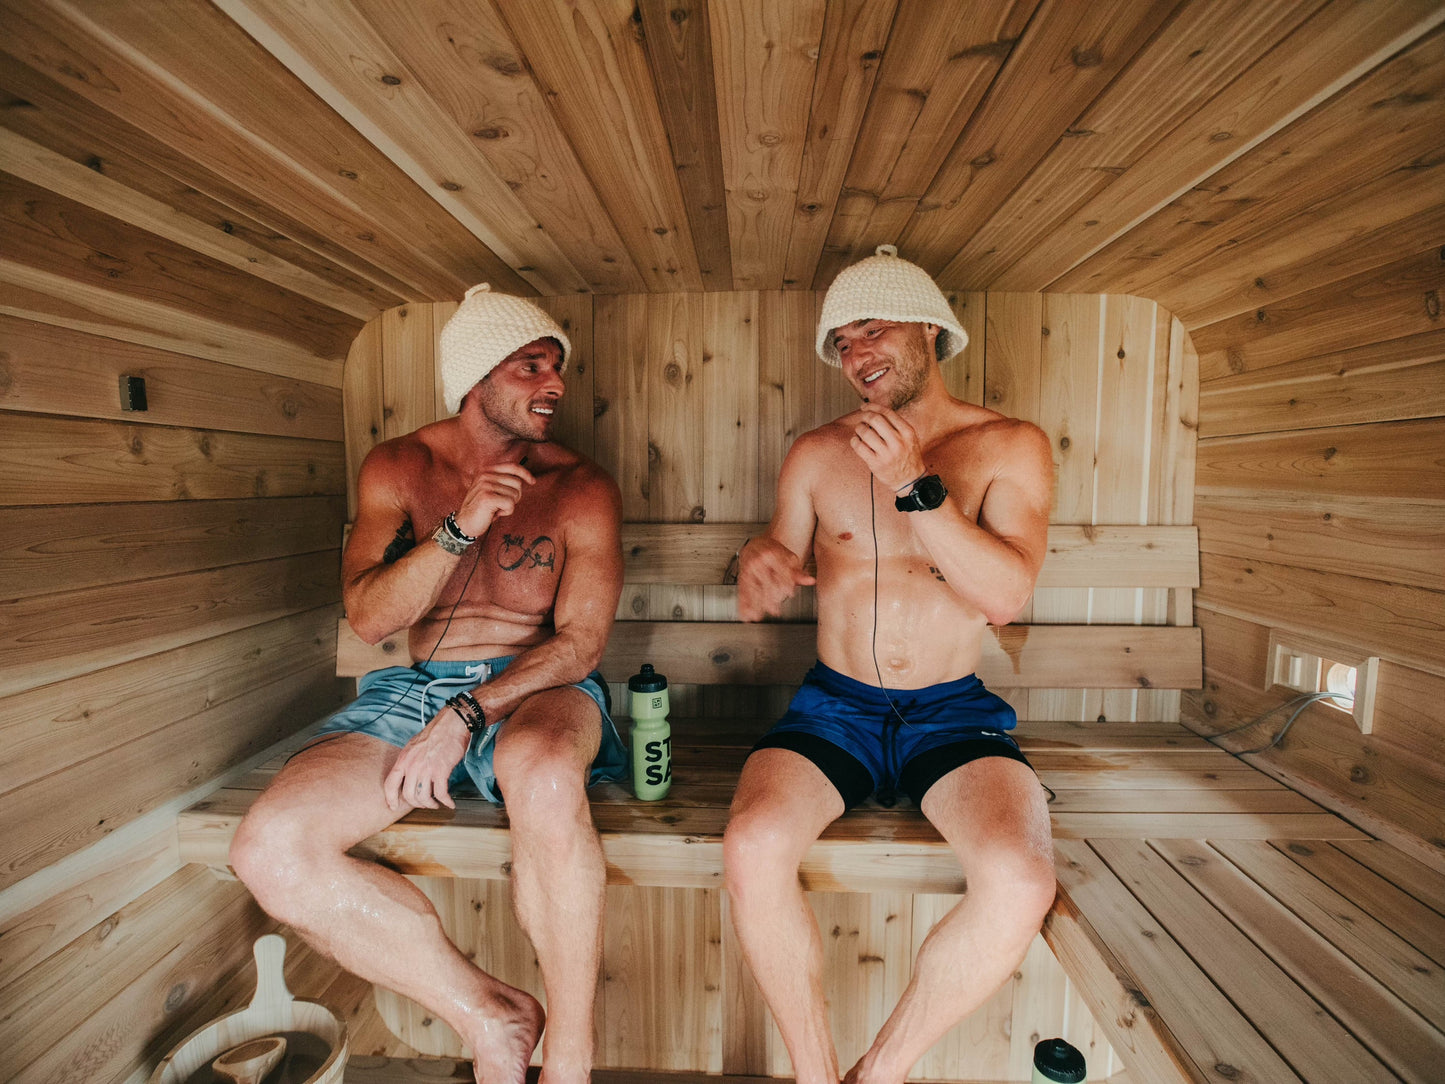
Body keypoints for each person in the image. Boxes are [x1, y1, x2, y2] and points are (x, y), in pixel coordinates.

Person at [230, 283, 627, 1084]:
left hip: (536, 689)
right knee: (268, 849)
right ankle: (489, 1015)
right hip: (413, 693)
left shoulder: (580, 486)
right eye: (531, 366)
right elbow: (369, 618)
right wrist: (459, 527)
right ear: (476, 376)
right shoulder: (400, 467)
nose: (554, 384)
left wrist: (467, 713)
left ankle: (571, 1057)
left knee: (547, 778)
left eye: (556, 367)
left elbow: (580, 647)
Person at [725, 246, 1057, 1083]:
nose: (855, 353)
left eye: (871, 328)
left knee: (1020, 880)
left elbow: (1004, 596)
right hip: (833, 708)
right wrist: (759, 562)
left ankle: (879, 1073)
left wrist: (914, 483)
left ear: (930, 329)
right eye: (841, 342)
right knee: (753, 842)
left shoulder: (1007, 445)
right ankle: (815, 1075)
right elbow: (779, 550)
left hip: (950, 713)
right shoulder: (815, 453)